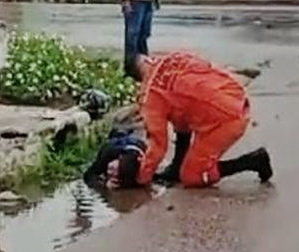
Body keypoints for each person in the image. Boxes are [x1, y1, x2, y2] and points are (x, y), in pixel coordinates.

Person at [106, 52, 273, 189]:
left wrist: (142, 178)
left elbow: (158, 144)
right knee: (180, 113)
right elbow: (207, 69)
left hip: (225, 121)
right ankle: (177, 166)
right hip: (235, 95)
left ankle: (253, 161)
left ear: (137, 79)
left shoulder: (151, 95)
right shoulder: (175, 57)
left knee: (192, 176)